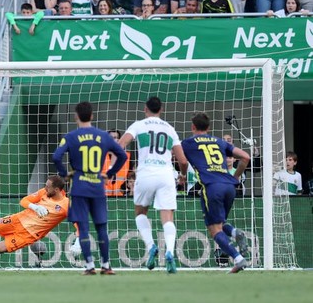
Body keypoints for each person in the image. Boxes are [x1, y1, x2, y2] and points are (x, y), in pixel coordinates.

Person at [52, 102, 127, 275]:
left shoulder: (71, 136)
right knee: (101, 227)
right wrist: (110, 173)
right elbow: (122, 154)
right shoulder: (103, 136)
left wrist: (65, 174)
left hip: (79, 185)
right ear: (92, 116)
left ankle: (89, 266)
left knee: (83, 227)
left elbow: (56, 156)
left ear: (76, 116)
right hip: (97, 186)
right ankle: (106, 265)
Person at [118, 96, 189, 273]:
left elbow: (121, 143)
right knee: (167, 216)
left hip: (145, 174)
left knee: (140, 212)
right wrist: (182, 175)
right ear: (161, 109)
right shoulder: (170, 129)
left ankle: (151, 246)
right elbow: (183, 160)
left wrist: (115, 166)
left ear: (145, 109)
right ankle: (170, 252)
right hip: (165, 175)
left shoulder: (139, 125)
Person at [181, 112, 251, 273]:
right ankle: (234, 232)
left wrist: (183, 176)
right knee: (221, 222)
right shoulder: (219, 142)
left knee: (214, 229)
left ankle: (238, 259)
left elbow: (181, 159)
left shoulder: (188, 143)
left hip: (212, 187)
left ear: (193, 127)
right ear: (209, 127)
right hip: (229, 186)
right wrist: (235, 177)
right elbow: (246, 157)